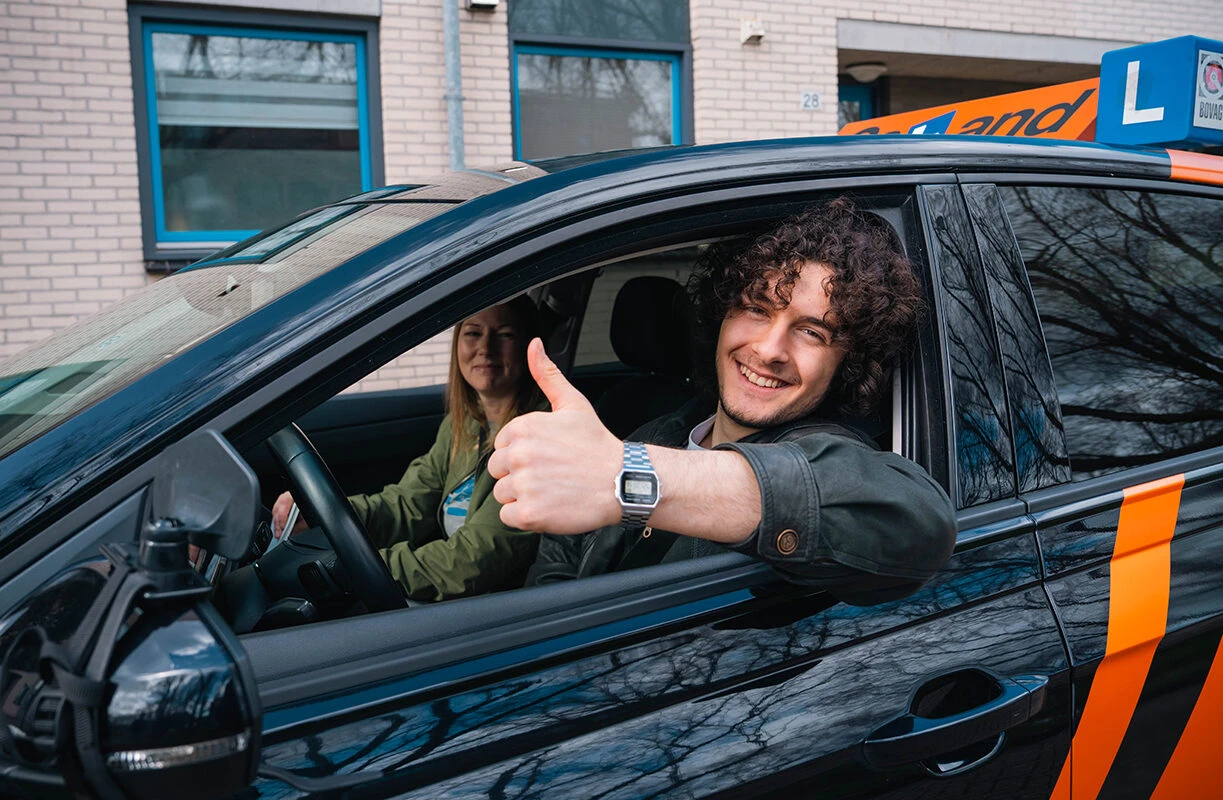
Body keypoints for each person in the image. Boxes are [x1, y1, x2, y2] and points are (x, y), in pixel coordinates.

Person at [489, 198, 957, 605]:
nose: (770, 349)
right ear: (721, 314)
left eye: (813, 332)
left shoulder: (827, 456)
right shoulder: (656, 434)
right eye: (756, 309)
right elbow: (554, 576)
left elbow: (916, 524)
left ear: (847, 363)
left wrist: (630, 477)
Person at [272, 296, 546, 602]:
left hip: (503, 606)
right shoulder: (467, 425)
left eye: (505, 334)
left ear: (530, 347)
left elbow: (475, 559)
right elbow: (409, 504)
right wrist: (320, 515)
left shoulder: (539, 441)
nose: (486, 347)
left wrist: (352, 569)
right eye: (472, 333)